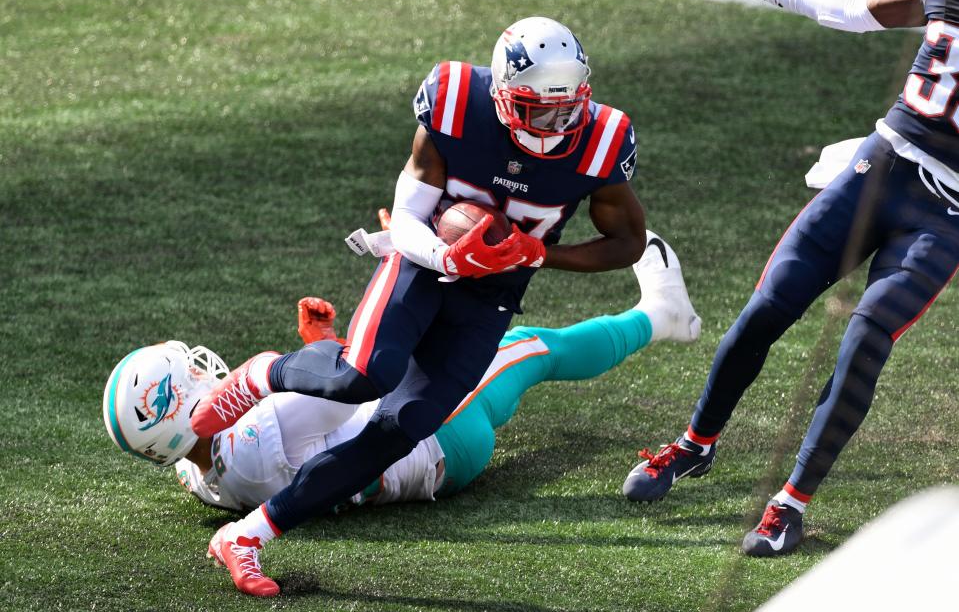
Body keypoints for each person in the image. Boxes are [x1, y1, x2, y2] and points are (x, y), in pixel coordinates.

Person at [181, 16, 653, 595]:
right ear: (503, 97)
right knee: (361, 375)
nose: (558, 125)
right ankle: (264, 373)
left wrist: (537, 253)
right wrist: (447, 257)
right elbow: (405, 215)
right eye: (539, 110)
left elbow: (628, 243)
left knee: (401, 427)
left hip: (494, 292)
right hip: (424, 261)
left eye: (569, 108)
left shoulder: (601, 139)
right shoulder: (457, 101)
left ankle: (246, 537)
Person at [103, 232, 701, 595]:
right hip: (435, 436)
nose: (204, 372)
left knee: (517, 349)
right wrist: (323, 347)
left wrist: (323, 345)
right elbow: (356, 384)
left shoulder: (197, 470)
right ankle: (662, 315)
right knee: (529, 347)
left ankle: (658, 317)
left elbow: (326, 421)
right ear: (182, 408)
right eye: (191, 378)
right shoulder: (257, 436)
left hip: (410, 456)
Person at [623, 0, 959, 558]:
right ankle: (695, 443)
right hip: (881, 164)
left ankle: (791, 504)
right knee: (768, 307)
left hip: (946, 214)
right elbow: (870, 8)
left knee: (865, 337)